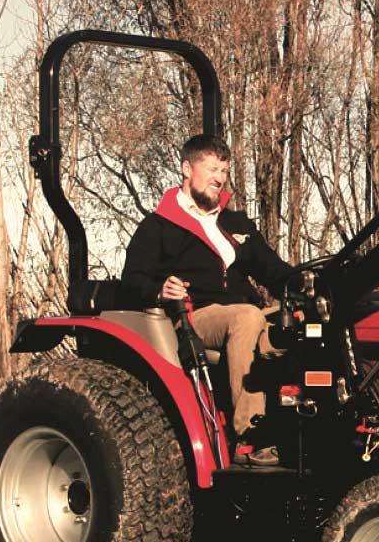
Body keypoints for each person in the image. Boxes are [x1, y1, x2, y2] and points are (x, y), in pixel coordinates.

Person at [122, 133, 300, 466]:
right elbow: (131, 280)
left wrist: (310, 285)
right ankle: (251, 437)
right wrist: (160, 289)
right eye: (213, 168)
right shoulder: (160, 226)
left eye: (224, 170)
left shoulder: (234, 223)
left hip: (248, 312)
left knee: (311, 323)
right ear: (187, 168)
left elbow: (275, 272)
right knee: (247, 317)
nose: (220, 178)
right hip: (196, 317)